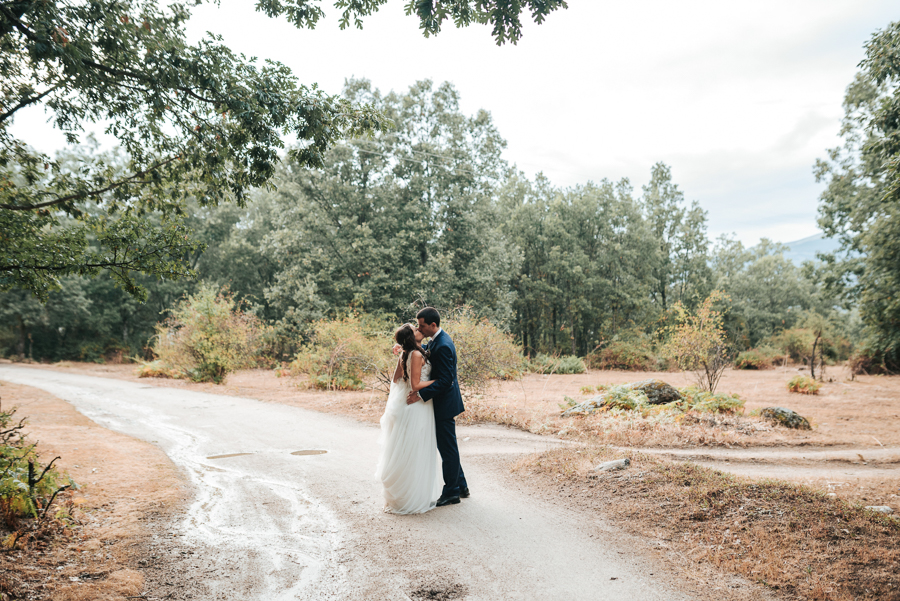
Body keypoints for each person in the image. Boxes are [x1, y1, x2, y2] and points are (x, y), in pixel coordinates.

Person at [375, 323, 442, 514]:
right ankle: (412, 496)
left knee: (409, 448)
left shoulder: (409, 353)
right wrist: (438, 381)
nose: (419, 330)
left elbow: (396, 379)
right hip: (417, 407)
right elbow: (415, 384)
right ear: (412, 337)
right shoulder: (417, 354)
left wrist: (402, 354)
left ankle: (407, 492)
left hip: (409, 406)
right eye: (415, 329)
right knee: (416, 449)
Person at [406, 307, 469, 507]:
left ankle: (451, 492)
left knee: (447, 449)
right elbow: (426, 352)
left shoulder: (442, 346)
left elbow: (445, 381)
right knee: (448, 447)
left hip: (445, 404)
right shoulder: (437, 340)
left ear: (433, 325)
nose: (419, 328)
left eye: (422, 325)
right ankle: (461, 485)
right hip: (443, 402)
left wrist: (421, 395)